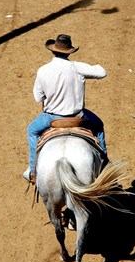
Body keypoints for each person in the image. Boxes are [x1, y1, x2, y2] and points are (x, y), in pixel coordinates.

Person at [23, 34, 108, 182]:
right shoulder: (77, 67)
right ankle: (105, 167)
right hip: (78, 116)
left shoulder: (43, 70)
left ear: (53, 51)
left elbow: (38, 98)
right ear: (69, 51)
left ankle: (34, 170)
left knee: (32, 131)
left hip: (51, 117)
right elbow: (102, 72)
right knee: (99, 127)